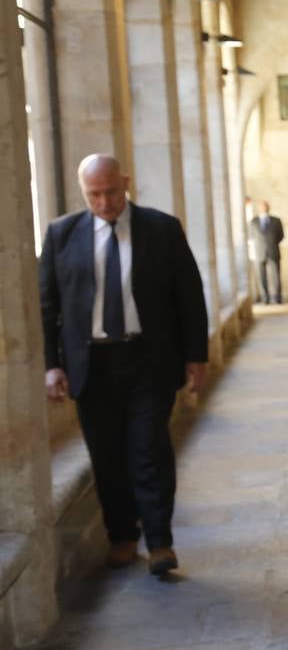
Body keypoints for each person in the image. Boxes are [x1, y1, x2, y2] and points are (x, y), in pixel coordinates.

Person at [39, 154, 208, 575]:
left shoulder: (161, 229)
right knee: (106, 455)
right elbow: (47, 306)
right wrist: (51, 365)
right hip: (91, 364)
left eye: (111, 191)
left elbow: (188, 295)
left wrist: (196, 357)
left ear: (125, 182)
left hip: (148, 359)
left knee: (149, 449)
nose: (104, 202)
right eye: (94, 194)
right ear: (84, 192)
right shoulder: (62, 234)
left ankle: (160, 543)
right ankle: (122, 536)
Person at [249, 200, 284, 304]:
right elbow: (251, 236)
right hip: (259, 253)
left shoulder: (276, 221)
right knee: (261, 276)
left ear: (269, 207)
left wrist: (272, 243)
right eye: (262, 206)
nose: (264, 208)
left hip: (273, 251)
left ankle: (277, 297)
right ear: (259, 208)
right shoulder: (253, 222)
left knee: (276, 276)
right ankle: (265, 298)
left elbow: (281, 236)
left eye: (266, 206)